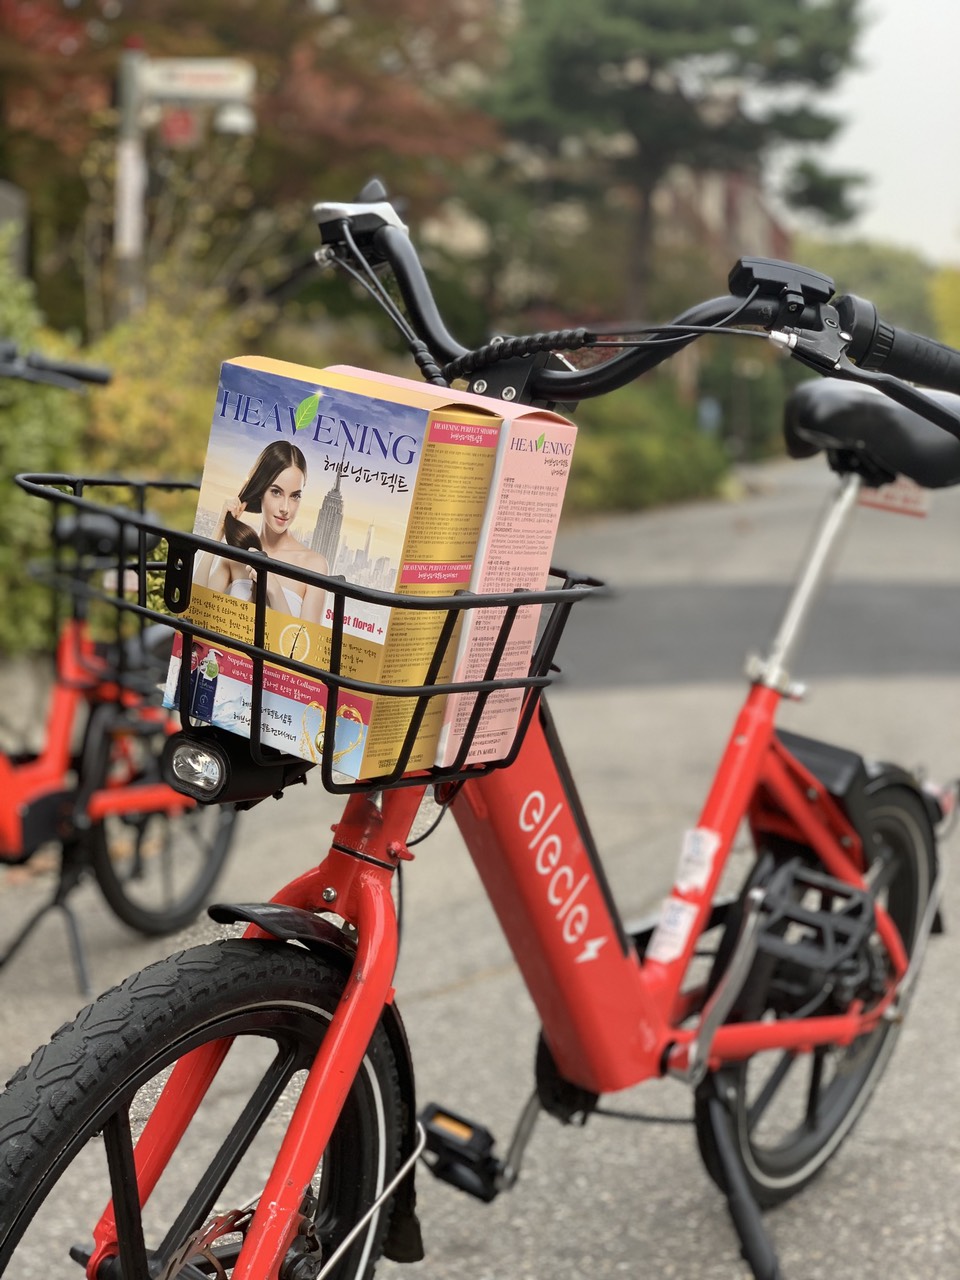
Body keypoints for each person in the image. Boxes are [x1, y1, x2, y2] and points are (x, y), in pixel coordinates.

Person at [193, 441, 329, 624]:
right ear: (260, 491)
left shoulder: (314, 566)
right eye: (276, 492)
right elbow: (194, 611)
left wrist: (274, 590)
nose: (285, 508)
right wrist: (219, 530)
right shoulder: (235, 556)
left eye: (295, 496)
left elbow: (305, 642)